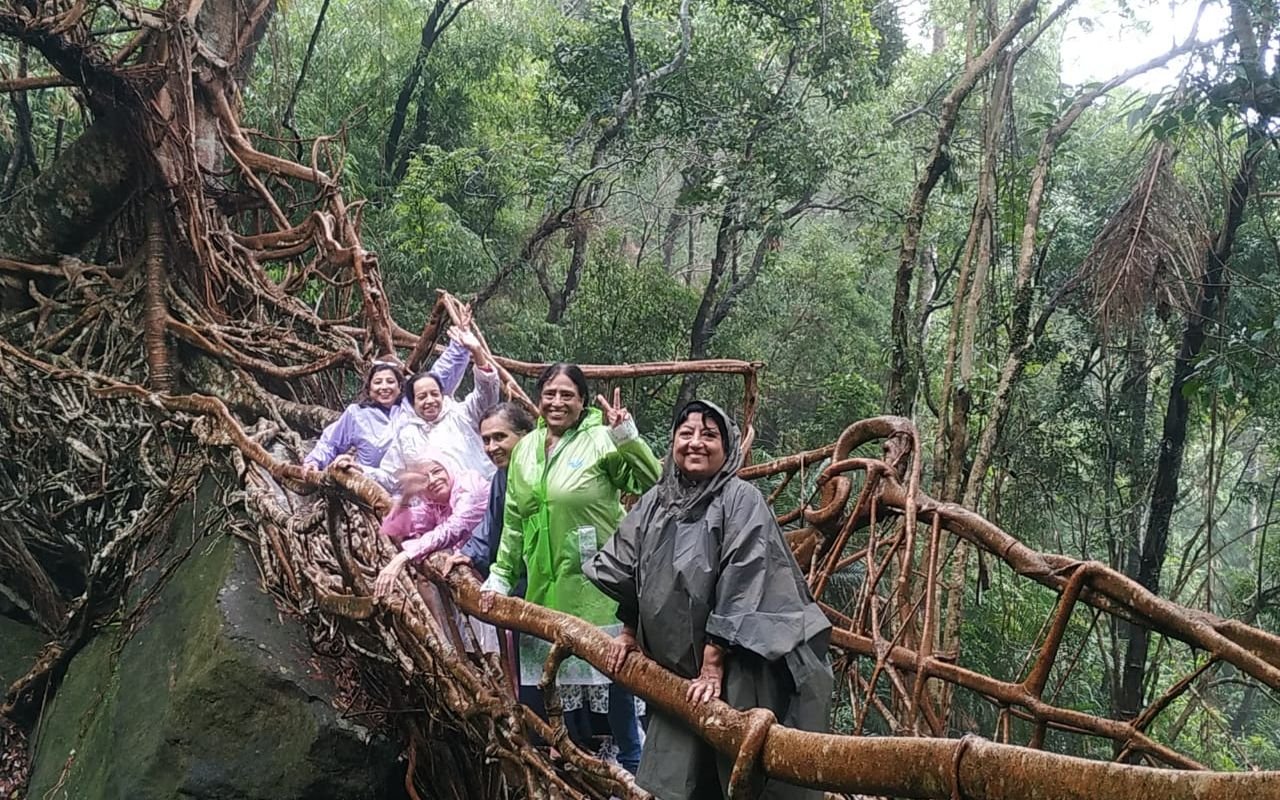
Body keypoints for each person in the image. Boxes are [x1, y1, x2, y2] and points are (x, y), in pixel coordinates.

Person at [585, 400, 833, 800]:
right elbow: (634, 569)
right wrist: (629, 631)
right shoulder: (657, 502)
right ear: (672, 443)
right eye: (686, 434)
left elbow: (743, 579)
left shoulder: (740, 500)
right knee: (673, 779)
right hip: (680, 671)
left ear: (727, 446)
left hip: (744, 664)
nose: (695, 443)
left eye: (709, 435)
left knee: (740, 777)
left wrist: (713, 664)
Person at [478, 364, 661, 774]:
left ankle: (635, 777)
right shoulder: (526, 448)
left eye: (567, 394)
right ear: (539, 399)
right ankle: (577, 779)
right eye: (550, 394)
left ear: (581, 401)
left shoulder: (600, 439)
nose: (558, 402)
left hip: (600, 590)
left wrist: (626, 436)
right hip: (546, 590)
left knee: (616, 699)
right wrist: (501, 575)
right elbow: (514, 522)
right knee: (560, 701)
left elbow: (652, 481)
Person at [361, 326, 498, 492]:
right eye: (422, 397)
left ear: (442, 394)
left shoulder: (462, 415)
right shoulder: (406, 434)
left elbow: (487, 395)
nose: (430, 401)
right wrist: (359, 470)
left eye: (434, 394)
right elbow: (392, 477)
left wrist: (477, 352)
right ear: (412, 403)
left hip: (481, 498)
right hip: (439, 512)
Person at [302, 338, 471, 472]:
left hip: (416, 486)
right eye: (378, 382)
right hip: (372, 487)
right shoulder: (356, 414)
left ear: (400, 387)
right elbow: (331, 442)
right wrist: (314, 461)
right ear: (369, 388)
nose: (384, 387)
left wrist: (460, 343)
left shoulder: (411, 406)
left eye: (390, 381)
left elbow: (439, 375)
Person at [460, 403, 536, 578]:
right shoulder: (501, 476)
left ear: (524, 436)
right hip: (515, 573)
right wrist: (469, 553)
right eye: (486, 440)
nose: (492, 447)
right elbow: (492, 524)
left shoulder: (546, 471)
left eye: (500, 437)